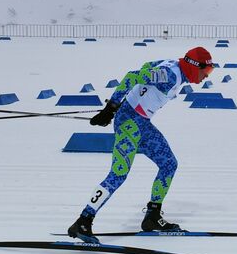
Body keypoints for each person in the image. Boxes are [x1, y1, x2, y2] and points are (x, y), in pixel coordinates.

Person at [66, 46, 216, 243]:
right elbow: (132, 76)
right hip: (129, 123)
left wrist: (132, 98)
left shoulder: (174, 67)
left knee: (169, 164)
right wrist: (111, 108)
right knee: (118, 174)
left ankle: (152, 217)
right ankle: (83, 221)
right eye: (206, 71)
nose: (206, 76)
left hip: (141, 123)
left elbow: (146, 66)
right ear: (194, 66)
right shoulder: (170, 74)